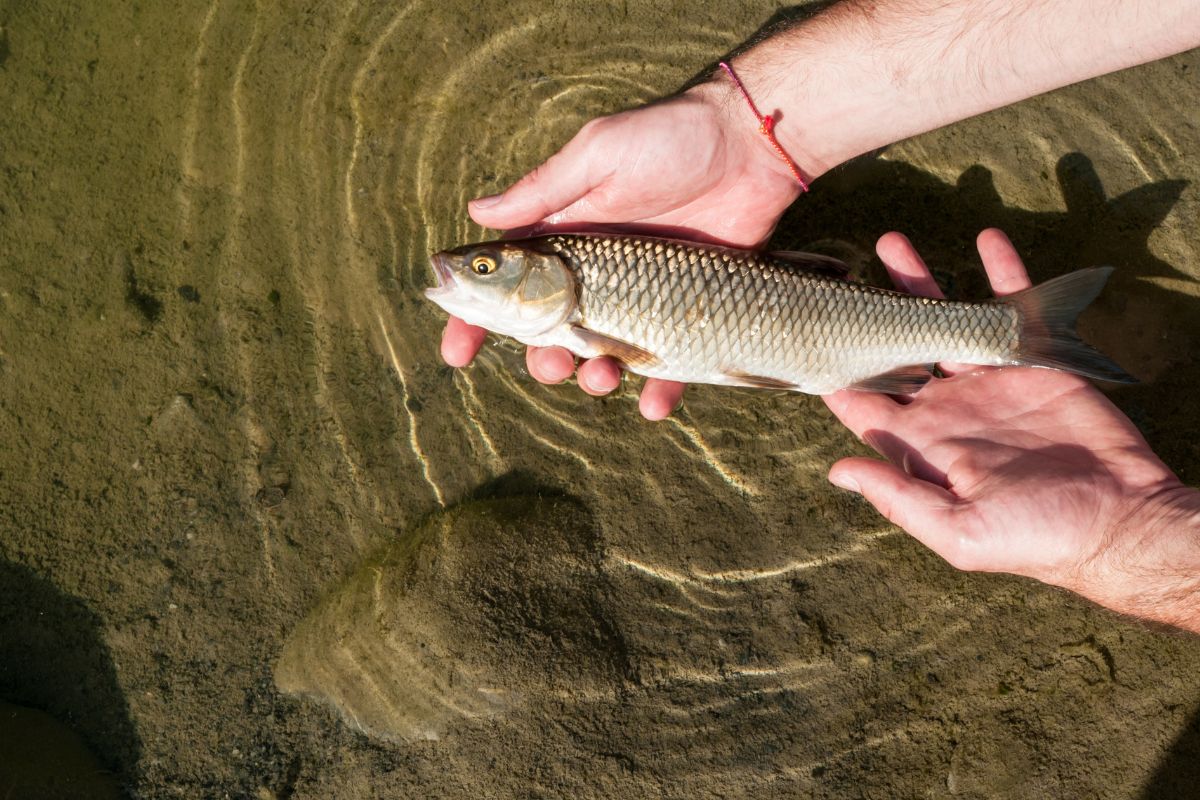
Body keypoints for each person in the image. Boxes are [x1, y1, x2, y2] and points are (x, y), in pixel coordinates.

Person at [438, 0, 1200, 630]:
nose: (467, 272)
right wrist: (744, 129)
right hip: (812, 329)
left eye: (485, 268)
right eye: (484, 267)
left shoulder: (589, 306)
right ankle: (1013, 333)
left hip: (815, 330)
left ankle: (1015, 333)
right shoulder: (586, 293)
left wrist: (1130, 539)